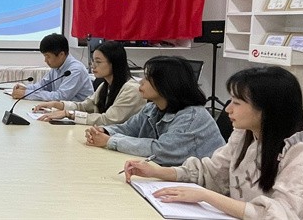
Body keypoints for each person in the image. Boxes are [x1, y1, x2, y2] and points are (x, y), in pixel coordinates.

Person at [123, 66, 303, 220]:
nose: (227, 109)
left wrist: (206, 196)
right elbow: (213, 172)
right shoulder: (245, 135)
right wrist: (158, 172)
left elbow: (279, 215)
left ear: (267, 108)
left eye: (236, 102)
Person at [83, 56, 224, 166]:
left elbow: (161, 151)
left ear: (166, 83)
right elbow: (128, 129)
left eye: (147, 78)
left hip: (202, 186)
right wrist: (104, 131)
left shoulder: (191, 117)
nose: (141, 82)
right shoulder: (152, 108)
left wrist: (110, 141)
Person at [33, 40, 145, 125]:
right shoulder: (105, 85)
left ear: (115, 63)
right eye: (92, 61)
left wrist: (69, 114)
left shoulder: (131, 90)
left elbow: (108, 119)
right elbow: (84, 106)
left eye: (98, 62)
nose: (93, 66)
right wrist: (56, 104)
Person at [11, 33, 93, 101]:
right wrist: (25, 88)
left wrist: (27, 94)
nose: (45, 60)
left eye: (48, 56)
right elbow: (43, 85)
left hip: (79, 112)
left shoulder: (75, 70)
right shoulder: (57, 66)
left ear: (61, 54)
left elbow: (61, 96)